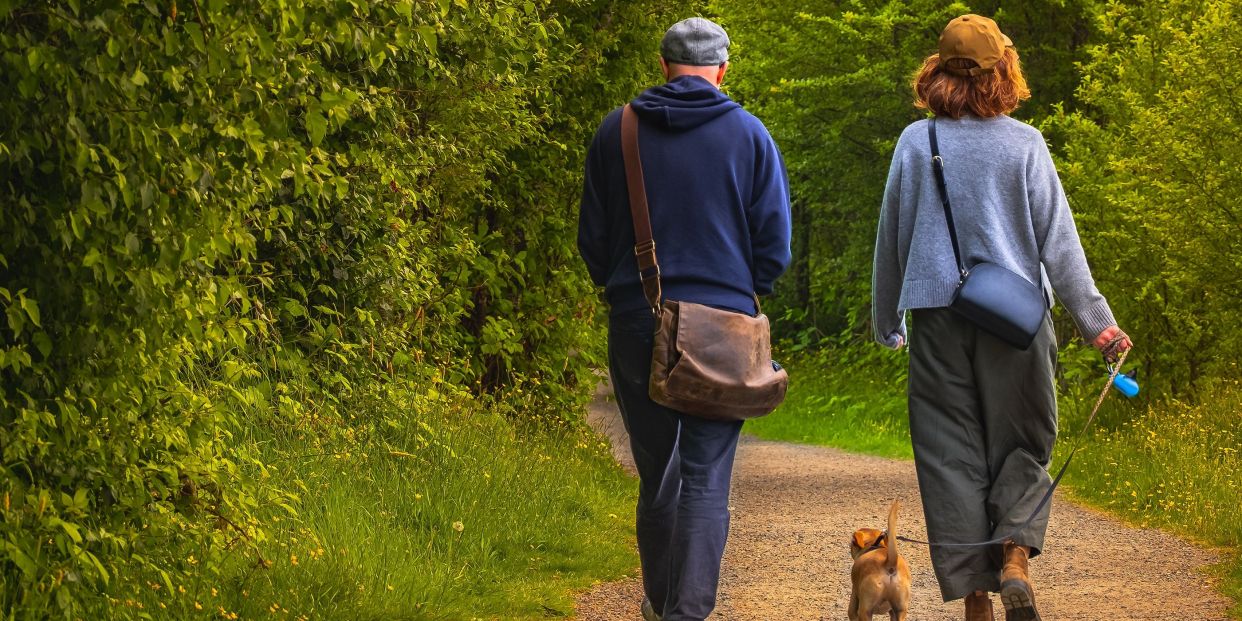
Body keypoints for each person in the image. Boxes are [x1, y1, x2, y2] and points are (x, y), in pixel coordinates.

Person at [870, 14, 1132, 621]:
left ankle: (977, 600)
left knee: (949, 453)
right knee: (1024, 442)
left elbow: (892, 239)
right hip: (1016, 319)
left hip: (938, 318)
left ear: (937, 72)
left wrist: (887, 318)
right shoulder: (1025, 143)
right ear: (1002, 72)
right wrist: (1098, 323)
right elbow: (1059, 245)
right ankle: (1014, 557)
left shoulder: (916, 142)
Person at [577, 16, 792, 621]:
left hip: (638, 319)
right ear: (723, 70)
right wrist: (745, 296)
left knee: (658, 473)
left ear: (664, 65)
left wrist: (626, 295)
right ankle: (685, 612)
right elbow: (774, 245)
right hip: (723, 328)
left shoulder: (616, 132)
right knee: (705, 476)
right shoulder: (751, 136)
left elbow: (591, 239)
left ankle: (658, 601)